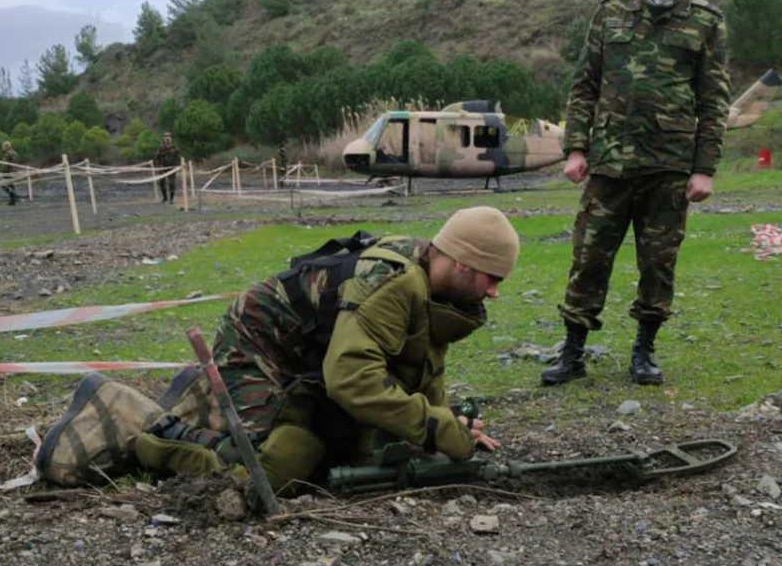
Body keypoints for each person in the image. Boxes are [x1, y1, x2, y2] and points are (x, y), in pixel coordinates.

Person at [34, 206, 520, 500]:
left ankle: (211, 406)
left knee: (353, 451)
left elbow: (419, 370)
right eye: (490, 277)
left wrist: (447, 427)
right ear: (459, 261)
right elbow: (352, 380)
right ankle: (146, 427)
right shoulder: (394, 284)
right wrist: (436, 429)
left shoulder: (436, 287)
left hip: (308, 360)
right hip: (258, 346)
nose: (494, 292)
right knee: (282, 465)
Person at [541, 0, 730, 387]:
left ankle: (644, 350)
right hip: (610, 162)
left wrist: (704, 169)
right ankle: (572, 351)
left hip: (669, 166)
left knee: (658, 263)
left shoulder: (707, 21)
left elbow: (713, 102)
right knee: (589, 258)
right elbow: (584, 86)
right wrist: (575, 148)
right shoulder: (610, 12)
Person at [153, 131, 180, 204]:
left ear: (171, 138)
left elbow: (178, 158)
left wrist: (177, 166)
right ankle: (165, 198)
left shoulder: (175, 148)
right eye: (166, 137)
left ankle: (171, 199)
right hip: (163, 168)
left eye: (168, 137)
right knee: (162, 183)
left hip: (172, 168)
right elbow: (156, 158)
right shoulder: (161, 148)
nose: (167, 138)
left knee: (172, 184)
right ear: (163, 138)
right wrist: (158, 166)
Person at [0, 141, 19, 206]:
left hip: (9, 172)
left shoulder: (7, 154)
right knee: (11, 185)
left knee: (3, 184)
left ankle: (13, 197)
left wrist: (3, 172)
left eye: (3, 147)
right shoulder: (15, 153)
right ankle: (13, 200)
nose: (2, 148)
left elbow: (5, 164)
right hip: (15, 171)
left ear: (6, 147)